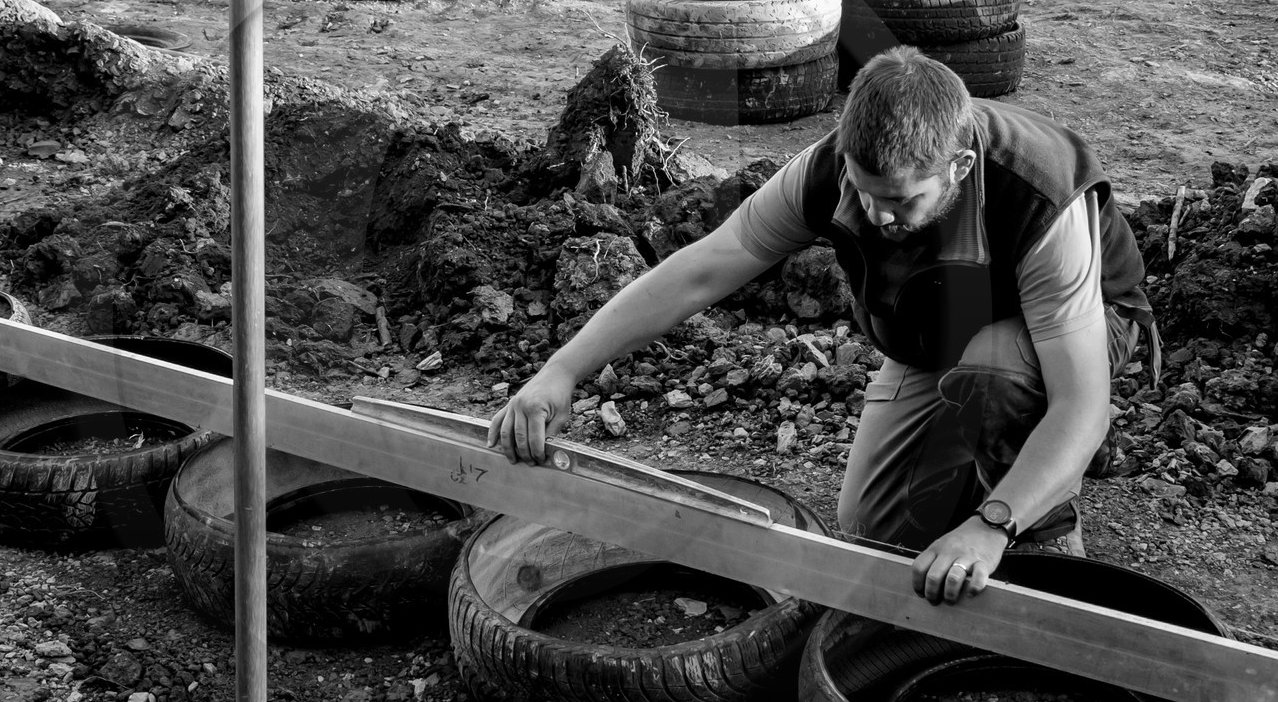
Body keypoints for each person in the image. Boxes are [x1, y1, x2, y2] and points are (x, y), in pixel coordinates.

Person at [488, 49, 1156, 607]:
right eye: (865, 192)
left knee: (994, 376)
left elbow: (1081, 402)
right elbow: (701, 271)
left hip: (1075, 335)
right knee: (873, 529)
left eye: (900, 200)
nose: (876, 213)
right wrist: (562, 370)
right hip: (939, 331)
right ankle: (1000, 468)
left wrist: (992, 524)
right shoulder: (829, 168)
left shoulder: (1037, 194)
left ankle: (1043, 528)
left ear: (960, 168)